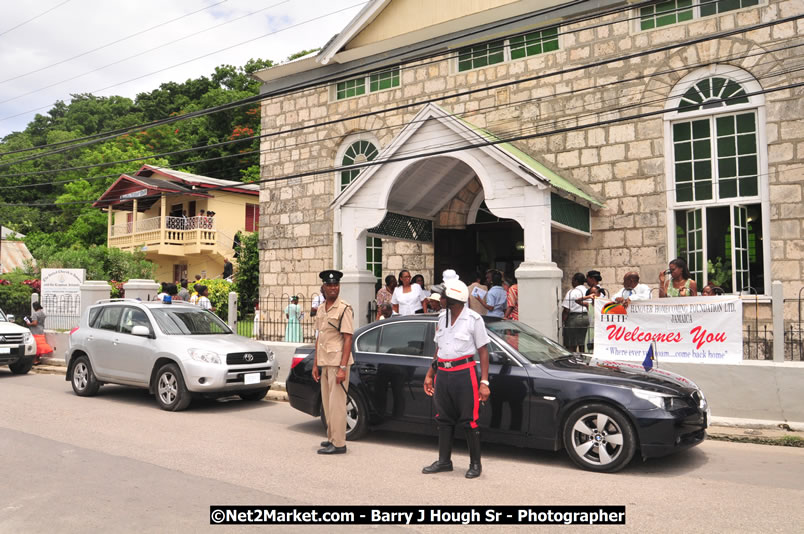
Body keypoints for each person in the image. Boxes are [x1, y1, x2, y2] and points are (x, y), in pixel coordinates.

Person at [422, 278, 490, 479]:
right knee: (443, 418)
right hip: (443, 373)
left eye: (443, 296)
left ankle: (475, 464)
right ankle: (444, 461)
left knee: (470, 420)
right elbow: (439, 349)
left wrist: (484, 382)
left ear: (453, 299)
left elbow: (483, 352)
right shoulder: (442, 317)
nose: (439, 299)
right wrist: (430, 374)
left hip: (464, 373)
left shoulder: (473, 319)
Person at [312, 270, 354, 455]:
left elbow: (348, 339)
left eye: (335, 285)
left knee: (337, 405)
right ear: (323, 287)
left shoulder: (344, 308)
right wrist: (315, 364)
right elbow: (319, 337)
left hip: (338, 363)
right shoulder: (321, 309)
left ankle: (339, 443)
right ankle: (331, 437)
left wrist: (343, 367)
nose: (333, 288)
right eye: (329, 285)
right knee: (328, 404)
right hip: (325, 361)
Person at [562, 273, 589, 352]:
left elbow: (566, 310)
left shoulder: (572, 292)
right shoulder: (588, 291)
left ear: (576, 281)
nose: (572, 282)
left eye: (572, 280)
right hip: (587, 317)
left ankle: (573, 359)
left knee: (571, 342)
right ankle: (583, 359)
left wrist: (563, 321)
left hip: (574, 319)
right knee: (583, 342)